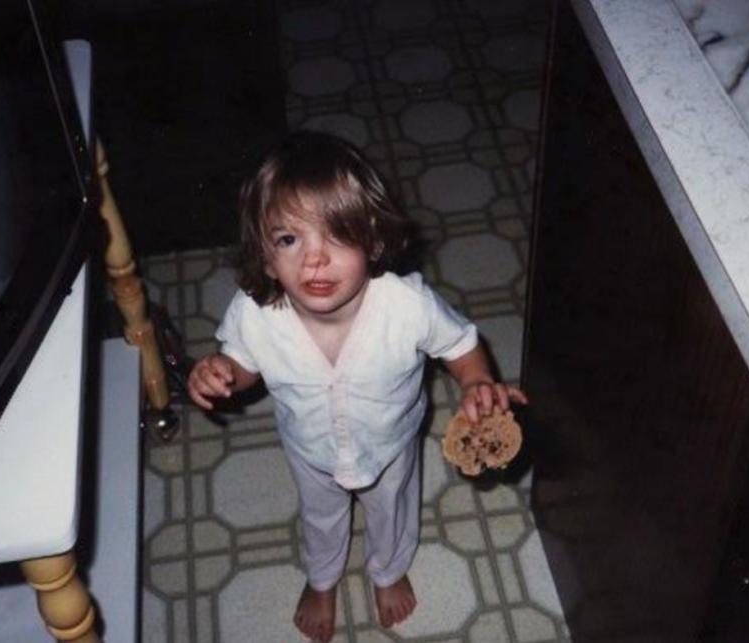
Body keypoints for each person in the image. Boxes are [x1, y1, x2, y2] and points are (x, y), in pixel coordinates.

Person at [187, 131, 527, 642]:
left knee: (392, 509)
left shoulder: (407, 305)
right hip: (310, 447)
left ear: (372, 239)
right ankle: (322, 577)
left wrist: (477, 379)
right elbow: (244, 362)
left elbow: (459, 344)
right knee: (320, 514)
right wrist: (223, 372)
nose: (313, 259)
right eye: (288, 239)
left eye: (336, 236)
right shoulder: (255, 314)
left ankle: (387, 570)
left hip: (389, 443)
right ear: (263, 250)